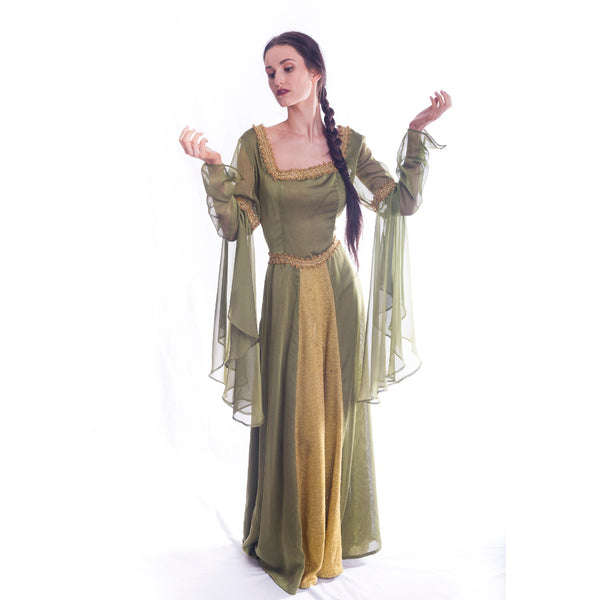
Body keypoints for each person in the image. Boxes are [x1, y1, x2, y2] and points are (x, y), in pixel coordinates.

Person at [179, 31, 451, 595]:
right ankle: (294, 538)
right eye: (269, 73)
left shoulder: (346, 143)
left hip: (340, 290)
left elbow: (399, 202)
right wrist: (214, 169)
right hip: (286, 291)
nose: (277, 81)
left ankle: (333, 534)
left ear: (315, 72)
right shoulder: (255, 145)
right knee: (294, 414)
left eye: (287, 68)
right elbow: (235, 226)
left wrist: (416, 133)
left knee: (338, 413)